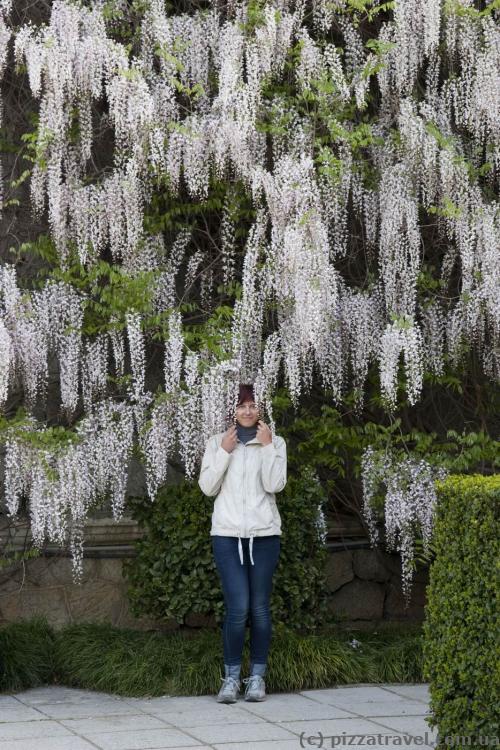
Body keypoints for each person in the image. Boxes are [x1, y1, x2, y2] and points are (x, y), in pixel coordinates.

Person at [198, 383, 287, 703]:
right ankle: (232, 678)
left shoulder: (275, 442)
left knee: (260, 610)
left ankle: (257, 679)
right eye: (241, 406)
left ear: (260, 409)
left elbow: (274, 484)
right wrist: (223, 450)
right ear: (232, 410)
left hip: (264, 536)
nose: (247, 411)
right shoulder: (216, 443)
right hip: (227, 535)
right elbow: (207, 487)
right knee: (238, 608)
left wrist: (267, 448)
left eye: (252, 405)